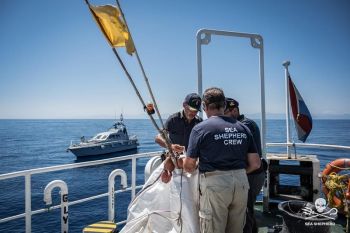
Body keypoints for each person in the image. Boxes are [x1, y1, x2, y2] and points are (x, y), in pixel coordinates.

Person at [183, 87, 261, 233]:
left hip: (215, 186)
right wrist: (236, 174)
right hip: (241, 183)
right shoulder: (243, 128)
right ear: (224, 105)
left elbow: (189, 166)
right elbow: (256, 163)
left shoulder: (200, 129)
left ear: (204, 107)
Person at [224, 97, 266, 233]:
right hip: (251, 172)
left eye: (225, 113)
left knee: (246, 211)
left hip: (252, 174)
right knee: (246, 210)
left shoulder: (245, 125)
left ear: (234, 110)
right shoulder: (242, 124)